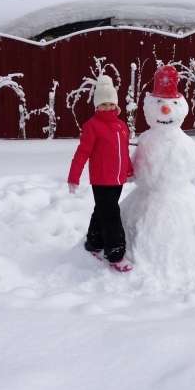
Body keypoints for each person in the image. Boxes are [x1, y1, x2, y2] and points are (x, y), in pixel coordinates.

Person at [67, 74, 134, 272]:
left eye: (110, 103)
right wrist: (74, 176)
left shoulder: (122, 126)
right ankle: (116, 254)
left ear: (115, 104)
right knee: (112, 215)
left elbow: (124, 151)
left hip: (118, 180)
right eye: (103, 104)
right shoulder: (92, 126)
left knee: (102, 210)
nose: (107, 107)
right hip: (102, 180)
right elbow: (82, 153)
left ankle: (94, 243)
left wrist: (129, 170)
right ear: (96, 106)